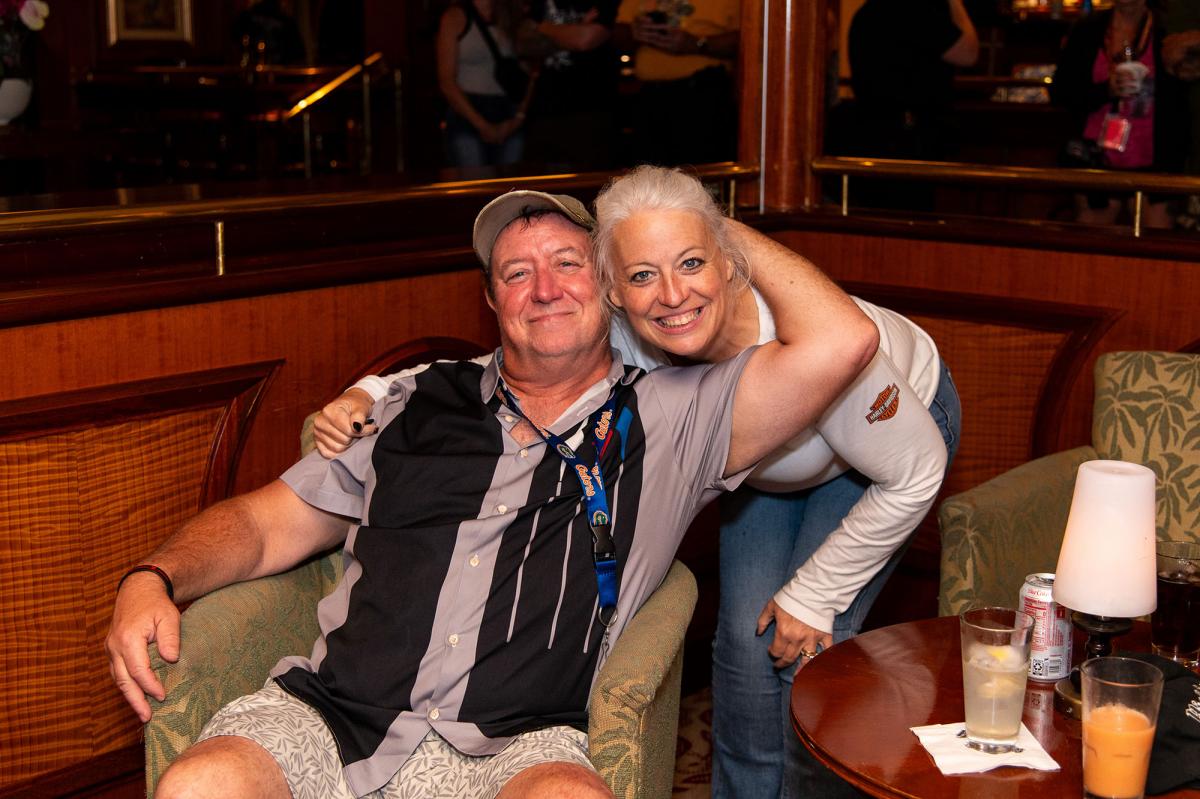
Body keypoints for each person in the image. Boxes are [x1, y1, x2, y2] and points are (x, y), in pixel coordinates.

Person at [106, 186, 879, 799]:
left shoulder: (677, 414)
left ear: (610, 284)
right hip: (336, 718)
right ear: (491, 300)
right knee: (201, 784)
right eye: (516, 273)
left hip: (518, 742)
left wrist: (696, 224)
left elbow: (844, 342)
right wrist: (154, 575)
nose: (544, 289)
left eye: (569, 263)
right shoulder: (412, 400)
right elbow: (263, 523)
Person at [315, 166, 961, 799]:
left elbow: (916, 471)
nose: (672, 296)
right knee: (745, 650)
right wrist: (370, 391)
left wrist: (817, 594)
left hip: (886, 447)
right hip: (778, 464)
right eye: (644, 274)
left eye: (691, 262)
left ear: (727, 262)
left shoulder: (819, 349)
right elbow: (501, 367)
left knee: (806, 651)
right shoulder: (630, 333)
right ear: (614, 291)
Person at [1051, 0, 1187, 229]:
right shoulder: (1088, 29)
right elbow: (1061, 93)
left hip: (1156, 159)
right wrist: (1107, 90)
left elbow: (1182, 98)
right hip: (1096, 156)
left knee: (1155, 239)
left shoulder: (1168, 29)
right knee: (1092, 237)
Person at [842, 0, 979, 210]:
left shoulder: (868, 11)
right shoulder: (915, 10)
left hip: (870, 137)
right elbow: (968, 53)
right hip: (906, 142)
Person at [614, 0, 740, 166]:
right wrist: (634, 32)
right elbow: (616, 31)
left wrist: (696, 44)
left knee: (700, 169)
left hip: (704, 94)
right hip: (649, 95)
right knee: (647, 169)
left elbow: (750, 39)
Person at [517, 0, 621, 170]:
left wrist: (542, 27)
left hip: (592, 110)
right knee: (540, 179)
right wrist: (577, 28)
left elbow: (585, 40)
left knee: (590, 179)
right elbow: (523, 43)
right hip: (544, 111)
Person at [437, 0, 535, 168]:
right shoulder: (455, 18)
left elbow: (531, 70)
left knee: (511, 180)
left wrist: (519, 117)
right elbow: (446, 81)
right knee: (473, 178)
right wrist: (481, 125)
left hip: (509, 111)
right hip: (467, 112)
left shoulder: (512, 15)